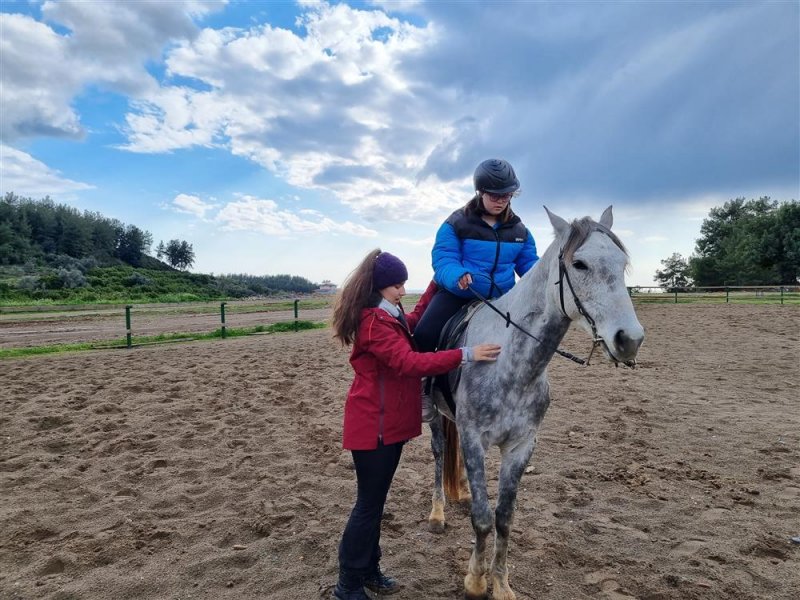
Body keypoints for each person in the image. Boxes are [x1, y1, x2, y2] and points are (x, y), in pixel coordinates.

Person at [330, 249, 501, 600]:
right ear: (379, 287)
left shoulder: (388, 316)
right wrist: (468, 354)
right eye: (396, 284)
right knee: (367, 506)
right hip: (373, 427)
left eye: (405, 283)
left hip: (385, 425)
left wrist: (437, 285)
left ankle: (369, 570)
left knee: (375, 505)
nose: (402, 290)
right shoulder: (374, 324)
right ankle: (347, 583)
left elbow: (417, 320)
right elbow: (408, 362)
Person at [413, 158, 539, 421]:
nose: (501, 200)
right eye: (495, 195)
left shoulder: (520, 230)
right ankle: (423, 387)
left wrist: (541, 280)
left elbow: (528, 264)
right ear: (480, 192)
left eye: (507, 194)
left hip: (502, 298)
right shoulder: (455, 223)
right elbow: (443, 258)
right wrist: (457, 274)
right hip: (459, 292)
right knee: (424, 332)